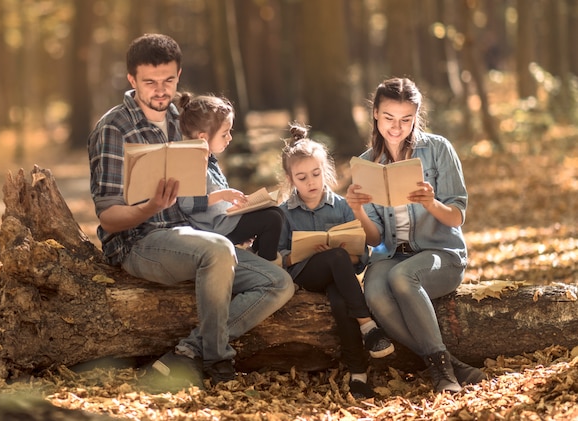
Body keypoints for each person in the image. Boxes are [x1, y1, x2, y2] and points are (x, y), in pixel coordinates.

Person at [87, 33, 295, 390]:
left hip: (193, 236)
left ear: (178, 74)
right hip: (139, 242)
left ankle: (188, 351)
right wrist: (151, 206)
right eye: (149, 82)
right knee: (216, 249)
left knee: (278, 283)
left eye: (168, 80)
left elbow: (206, 184)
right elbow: (108, 218)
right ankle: (217, 360)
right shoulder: (113, 128)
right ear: (131, 80)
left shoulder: (182, 119)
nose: (160, 90)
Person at [346, 77, 486, 394]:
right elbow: (375, 240)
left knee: (403, 276)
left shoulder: (438, 150)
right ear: (376, 116)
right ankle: (448, 363)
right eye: (389, 118)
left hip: (441, 255)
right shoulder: (368, 163)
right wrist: (357, 211)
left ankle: (442, 374)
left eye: (406, 119)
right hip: (391, 254)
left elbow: (457, 215)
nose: (397, 128)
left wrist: (431, 203)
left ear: (416, 116)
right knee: (375, 294)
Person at [277, 124, 394, 400]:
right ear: (291, 179)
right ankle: (368, 326)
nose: (311, 182)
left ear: (325, 171)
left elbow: (360, 258)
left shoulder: (342, 206)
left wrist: (341, 252)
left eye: (316, 174)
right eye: (302, 177)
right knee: (334, 258)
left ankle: (358, 375)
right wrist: (307, 253)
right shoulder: (283, 213)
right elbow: (278, 259)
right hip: (305, 275)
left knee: (341, 300)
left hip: (339, 277)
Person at [176, 93, 284, 265]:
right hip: (214, 229)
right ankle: (268, 266)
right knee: (272, 219)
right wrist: (222, 195)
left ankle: (257, 256)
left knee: (275, 212)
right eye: (224, 134)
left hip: (225, 222)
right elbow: (187, 204)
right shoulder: (191, 164)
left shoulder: (208, 159)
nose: (230, 138)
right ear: (203, 137)